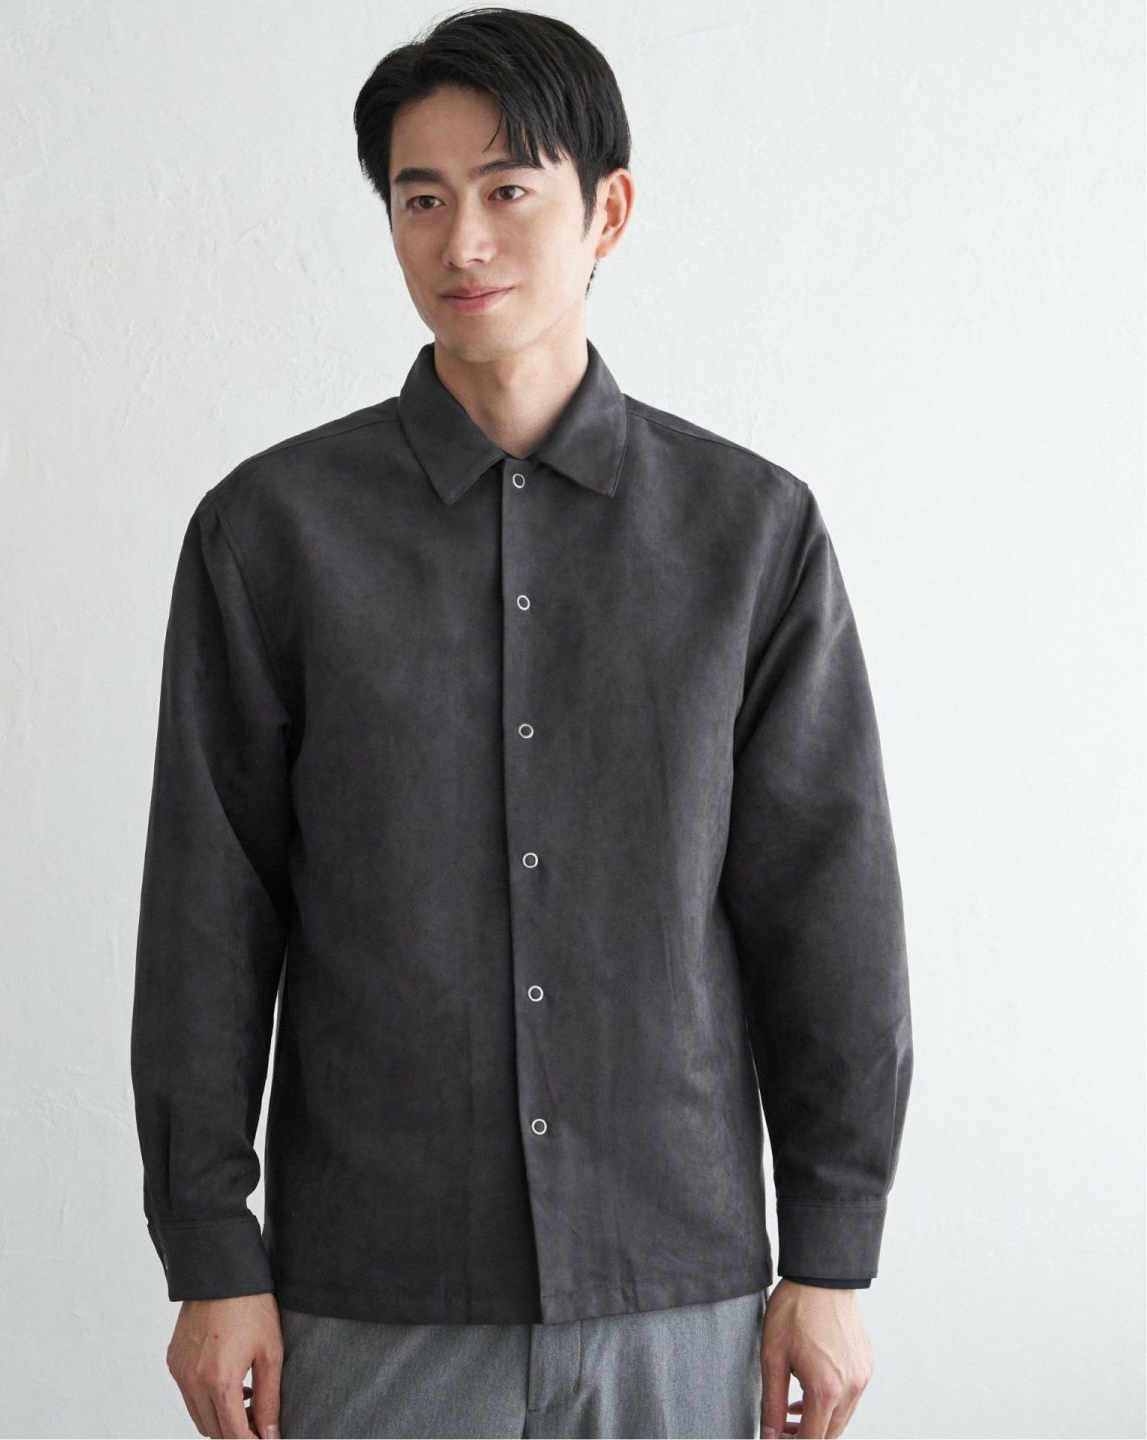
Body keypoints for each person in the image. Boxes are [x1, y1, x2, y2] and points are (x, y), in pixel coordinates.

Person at [130, 8, 914, 1438]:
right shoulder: (272, 534)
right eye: (420, 199)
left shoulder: (751, 534)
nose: (464, 241)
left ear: (607, 210)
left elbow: (828, 910)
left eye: (508, 190)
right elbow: (207, 916)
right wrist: (210, 1252)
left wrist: (833, 1253)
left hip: (674, 1286)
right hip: (373, 1293)